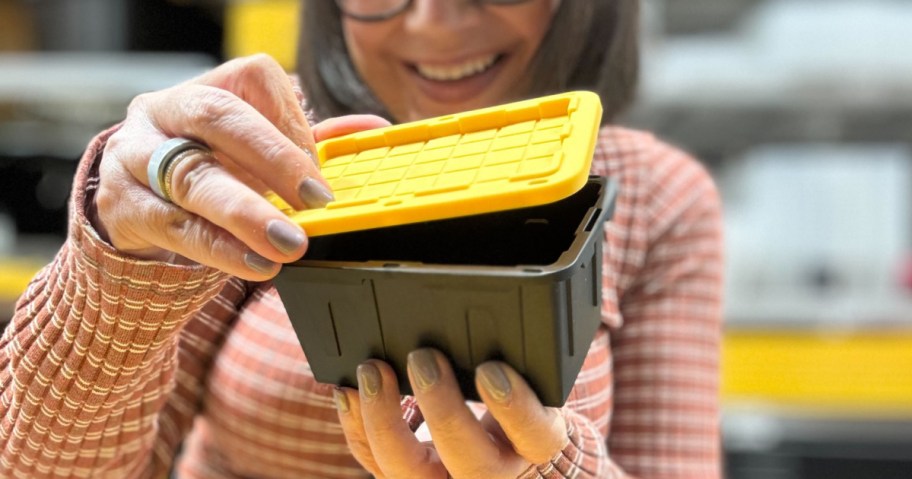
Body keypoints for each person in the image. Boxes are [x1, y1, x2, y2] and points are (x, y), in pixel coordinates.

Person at [0, 0, 724, 478]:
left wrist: (552, 466)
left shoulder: (654, 193)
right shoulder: (277, 151)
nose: (435, 20)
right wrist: (117, 259)